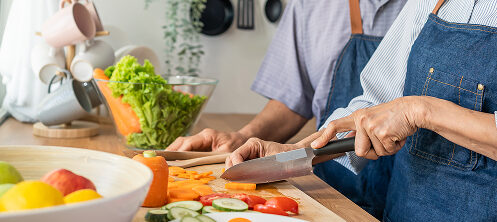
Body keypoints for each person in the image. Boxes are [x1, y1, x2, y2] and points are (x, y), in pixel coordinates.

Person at [228, 0, 497, 220]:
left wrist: (421, 110)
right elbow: (374, 103)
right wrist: (294, 154)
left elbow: (408, 111)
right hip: (405, 211)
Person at [167, 0, 406, 218]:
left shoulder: (431, 7)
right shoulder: (309, 5)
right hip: (328, 188)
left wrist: (296, 151)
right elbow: (294, 98)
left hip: (412, 193)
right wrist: (242, 138)